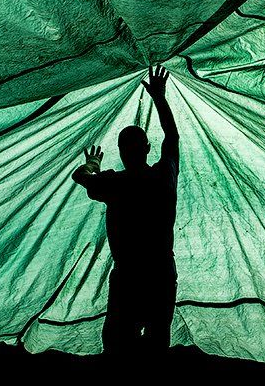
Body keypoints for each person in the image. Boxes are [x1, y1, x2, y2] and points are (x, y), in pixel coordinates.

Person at [72, 64, 179, 355]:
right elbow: (172, 138)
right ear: (147, 148)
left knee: (118, 346)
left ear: (121, 153)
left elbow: (80, 177)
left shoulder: (114, 183)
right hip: (161, 273)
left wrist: (93, 165)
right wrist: (159, 97)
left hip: (129, 277)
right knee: (157, 343)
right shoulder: (163, 175)